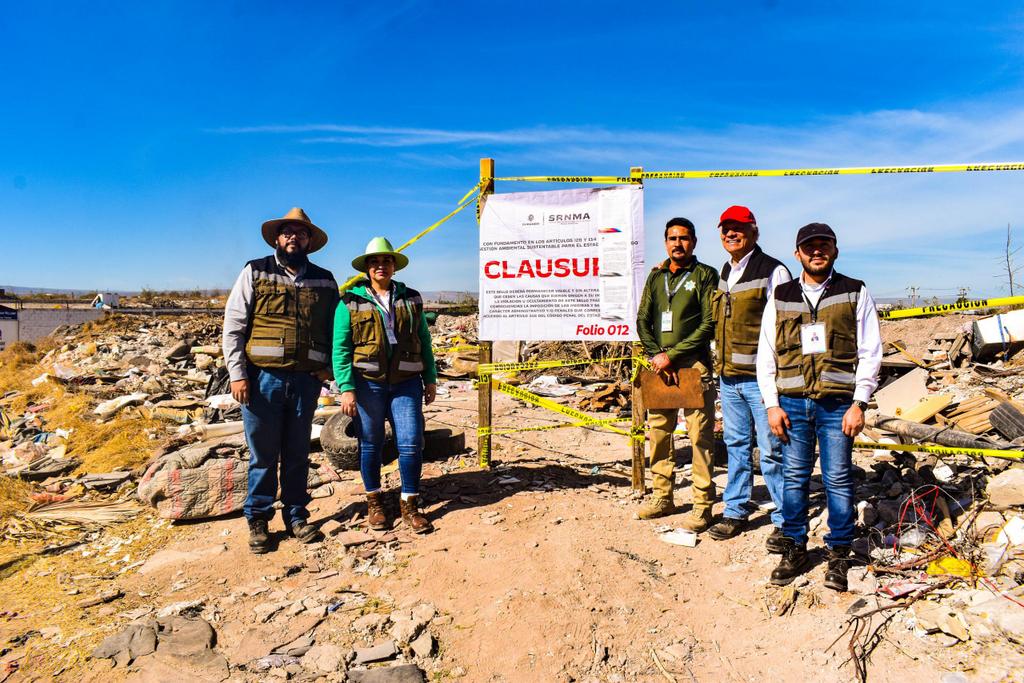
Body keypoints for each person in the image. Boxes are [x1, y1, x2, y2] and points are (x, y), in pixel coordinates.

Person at [756, 222, 882, 591]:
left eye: (823, 245)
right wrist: (771, 405)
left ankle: (839, 554)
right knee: (794, 478)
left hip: (837, 405)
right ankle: (795, 547)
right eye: (808, 246)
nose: (816, 252)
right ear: (797, 253)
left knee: (838, 479)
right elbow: (767, 353)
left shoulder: (854, 291)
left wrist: (859, 403)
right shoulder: (780, 295)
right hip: (791, 405)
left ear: (835, 251)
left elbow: (870, 352)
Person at [223, 207, 339, 554]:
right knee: (262, 454)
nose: (294, 238)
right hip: (262, 381)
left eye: (301, 233)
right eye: (288, 232)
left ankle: (296, 516)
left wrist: (330, 368)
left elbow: (337, 328)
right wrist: (238, 374)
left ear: (309, 241)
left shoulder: (324, 279)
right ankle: (258, 519)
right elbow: (234, 324)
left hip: (305, 382)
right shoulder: (255, 271)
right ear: (277, 238)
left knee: (297, 452)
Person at [333, 237, 438, 534]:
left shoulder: (411, 298)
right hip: (368, 385)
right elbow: (340, 348)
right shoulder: (349, 302)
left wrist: (430, 377)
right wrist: (346, 387)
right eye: (375, 262)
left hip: (406, 383)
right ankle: (375, 503)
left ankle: (409, 504)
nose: (381, 266)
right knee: (371, 444)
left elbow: (424, 341)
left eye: (387, 261)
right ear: (367, 268)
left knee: (411, 442)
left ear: (394, 266)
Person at [707, 206, 791, 552]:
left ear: (754, 230)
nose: (731, 234)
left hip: (762, 380)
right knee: (736, 448)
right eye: (726, 228)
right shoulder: (727, 270)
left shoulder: (774, 270)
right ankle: (736, 510)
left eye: (738, 228)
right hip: (730, 379)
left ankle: (787, 520)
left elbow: (787, 327)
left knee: (771, 451)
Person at [635, 217, 719, 531]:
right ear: (665, 241)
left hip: (693, 367)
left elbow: (708, 325)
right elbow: (643, 319)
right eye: (672, 238)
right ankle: (662, 497)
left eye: (684, 238)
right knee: (658, 434)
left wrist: (672, 354)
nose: (677, 244)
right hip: (660, 368)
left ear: (694, 241)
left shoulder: (705, 275)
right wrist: (657, 355)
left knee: (700, 438)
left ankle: (702, 506)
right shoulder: (656, 277)